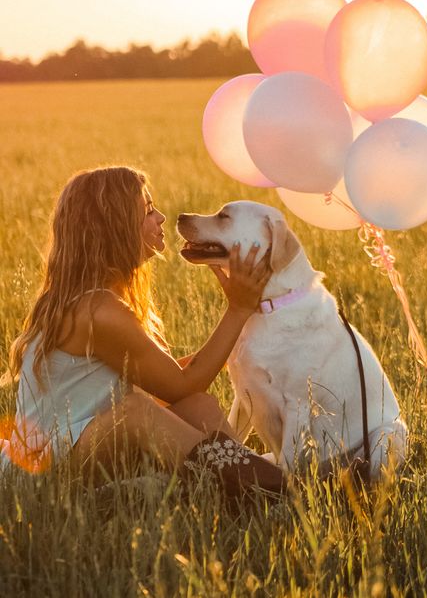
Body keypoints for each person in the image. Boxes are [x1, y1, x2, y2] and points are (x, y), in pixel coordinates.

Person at [4, 166, 285, 496]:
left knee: (198, 405)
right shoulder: (96, 311)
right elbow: (179, 385)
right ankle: (277, 484)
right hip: (41, 473)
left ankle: (239, 488)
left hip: (81, 448)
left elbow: (169, 382)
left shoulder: (93, 299)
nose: (162, 218)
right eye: (148, 211)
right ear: (116, 228)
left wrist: (240, 335)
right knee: (136, 413)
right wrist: (238, 309)